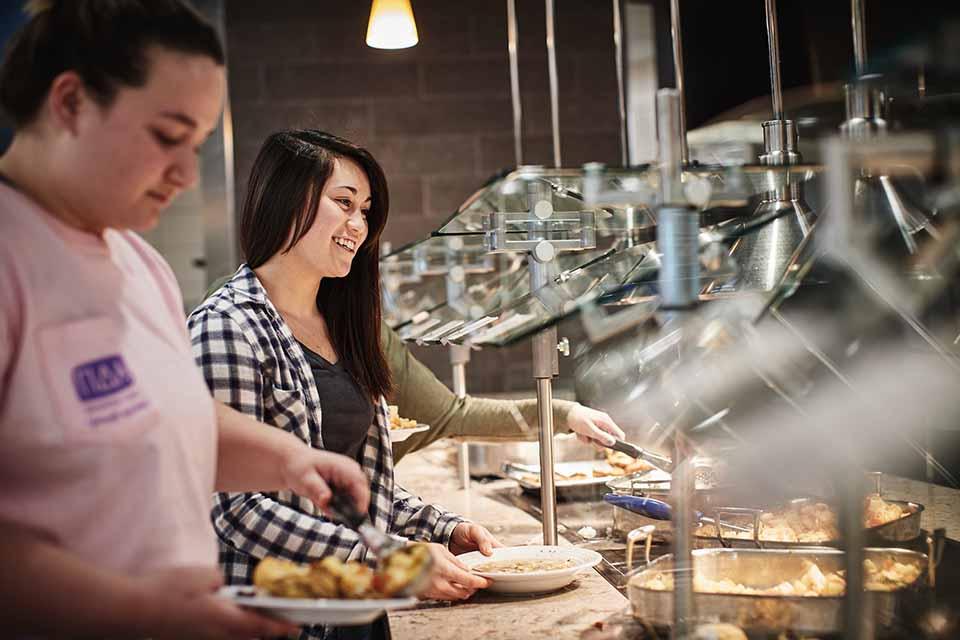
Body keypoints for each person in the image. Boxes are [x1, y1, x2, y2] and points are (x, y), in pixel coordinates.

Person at [0, 3, 371, 638]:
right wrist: (147, 614)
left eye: (196, 144)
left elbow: (159, 415)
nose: (187, 174)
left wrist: (286, 459)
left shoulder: (139, 262)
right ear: (69, 103)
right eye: (168, 137)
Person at [189, 129, 501, 640]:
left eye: (366, 210)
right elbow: (235, 508)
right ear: (288, 200)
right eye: (344, 203)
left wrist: (441, 529)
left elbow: (353, 489)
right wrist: (387, 555)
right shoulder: (226, 325)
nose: (359, 225)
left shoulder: (343, 325)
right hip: (279, 620)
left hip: (358, 612)